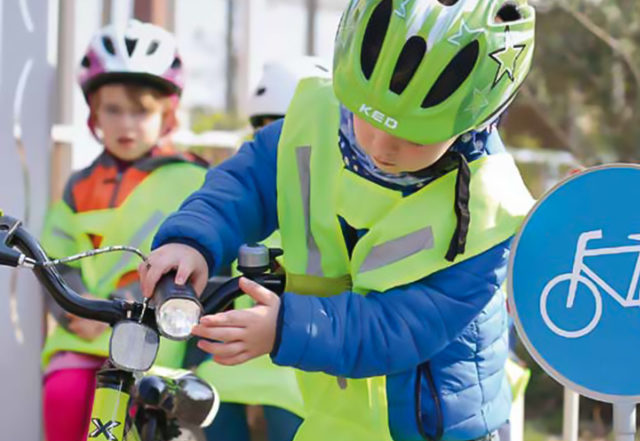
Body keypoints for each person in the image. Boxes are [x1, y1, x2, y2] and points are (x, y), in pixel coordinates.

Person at [140, 1, 536, 440]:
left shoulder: (490, 207)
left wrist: (286, 328)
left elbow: (401, 327)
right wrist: (191, 240)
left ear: (475, 119)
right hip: (338, 413)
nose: (381, 147)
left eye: (414, 136)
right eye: (367, 117)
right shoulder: (316, 118)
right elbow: (244, 184)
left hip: (439, 428)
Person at [40, 20, 207, 441]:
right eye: (113, 109)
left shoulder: (192, 178)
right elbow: (55, 251)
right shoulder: (79, 185)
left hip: (152, 340)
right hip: (82, 333)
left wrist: (125, 303)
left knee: (142, 420)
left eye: (142, 110)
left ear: (167, 114)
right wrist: (76, 311)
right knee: (62, 395)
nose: (126, 124)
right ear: (94, 112)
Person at [198, 56, 330, 441]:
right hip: (235, 360)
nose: (282, 148)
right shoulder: (247, 204)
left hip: (301, 359)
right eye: (263, 130)